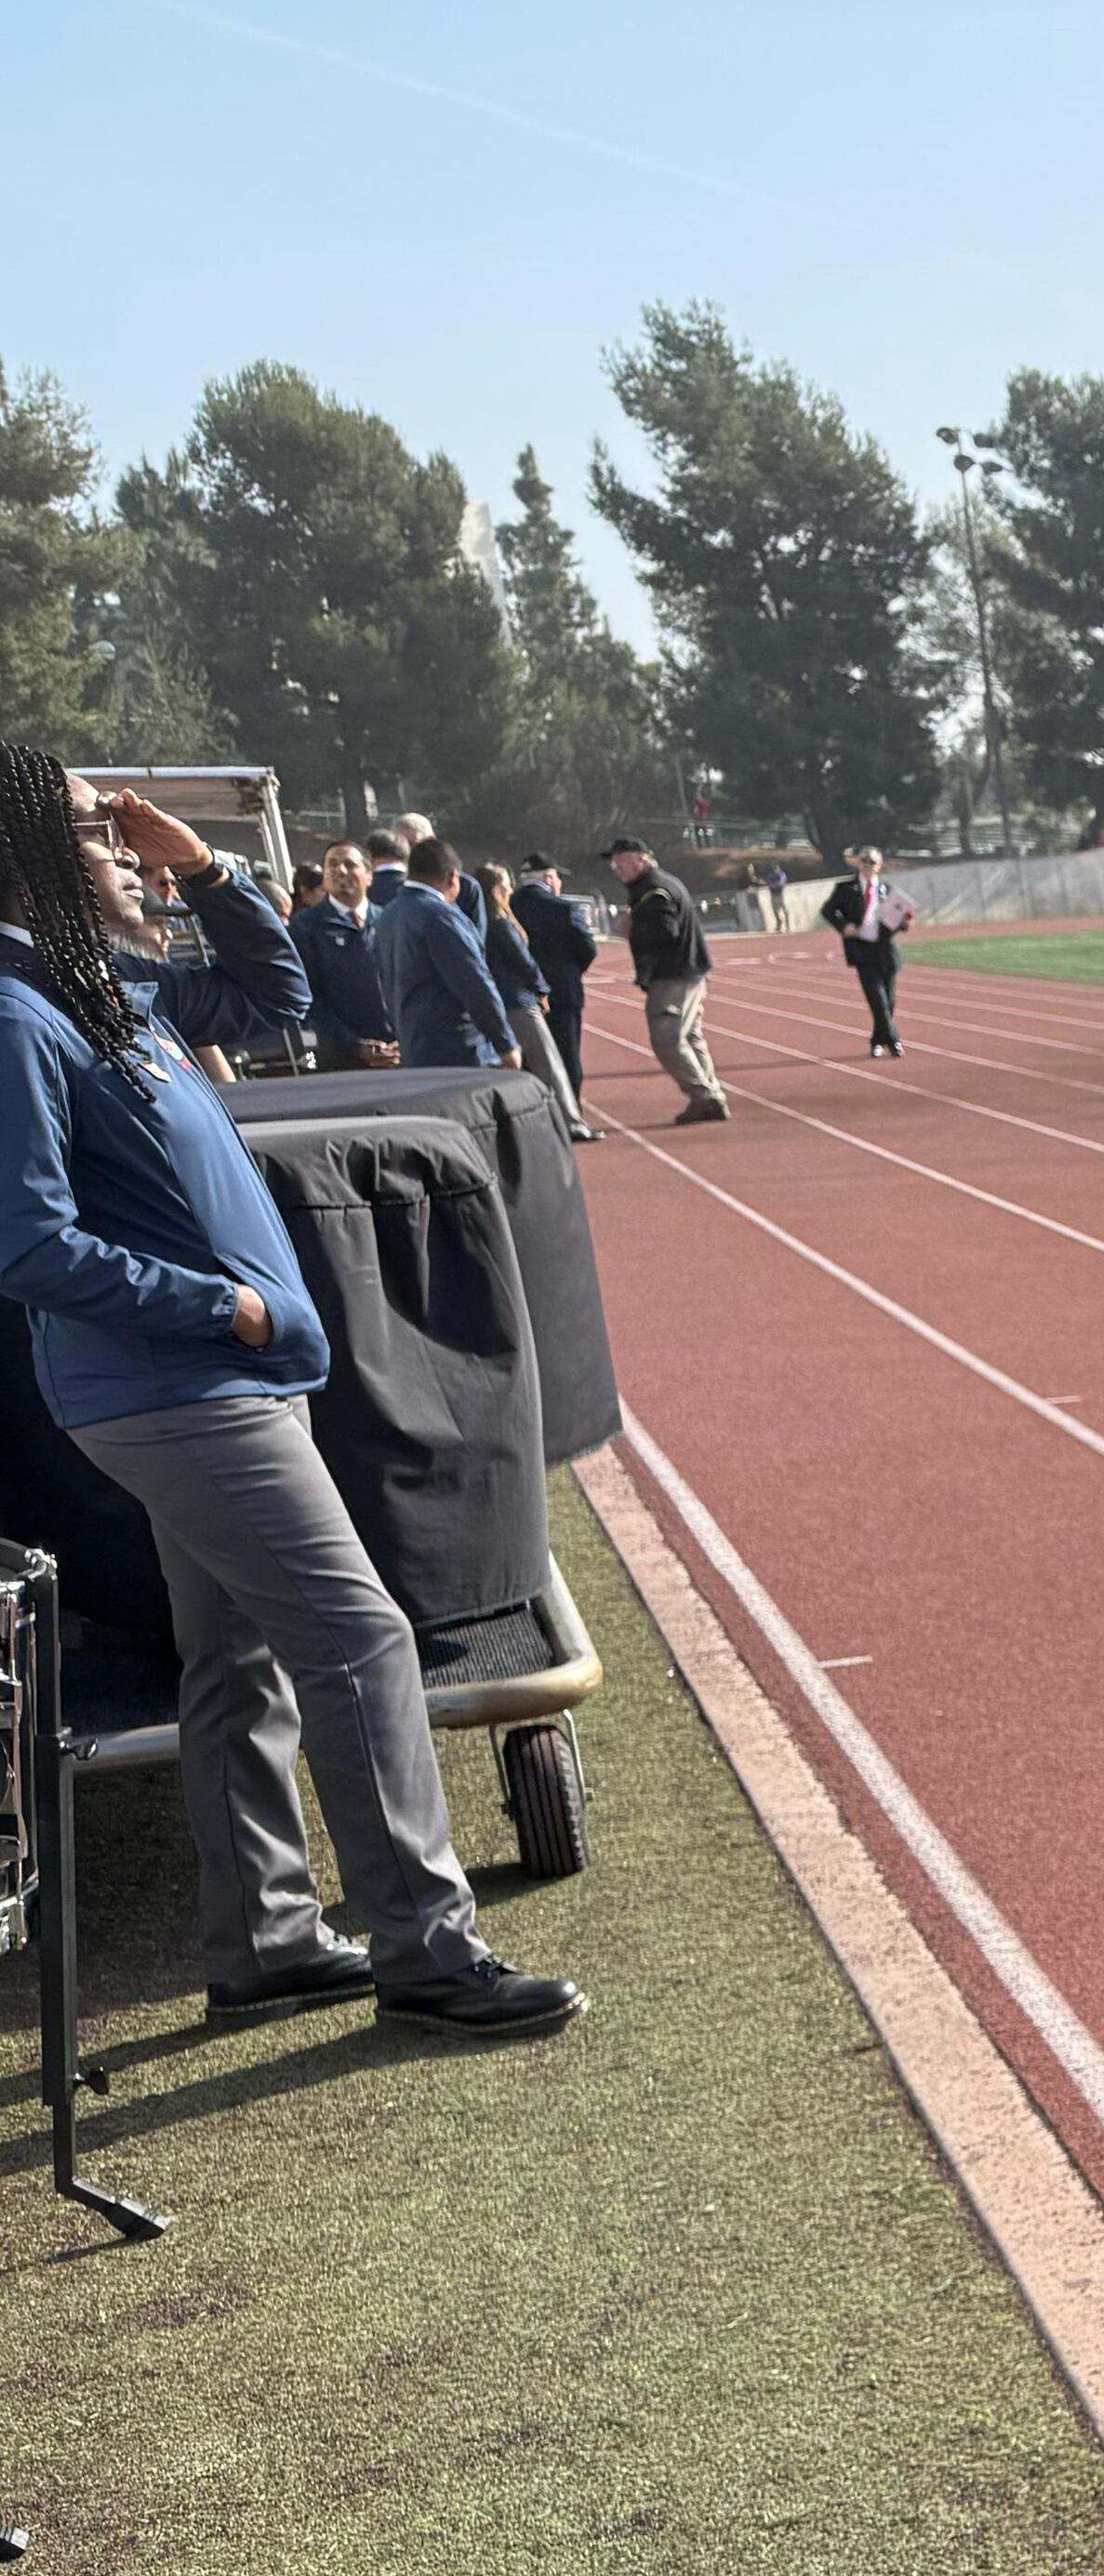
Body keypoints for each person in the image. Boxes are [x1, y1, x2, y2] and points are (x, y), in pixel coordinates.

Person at [0, 752, 582, 2041]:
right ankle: (428, 1953)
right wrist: (229, 1309)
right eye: (98, 830)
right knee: (359, 1637)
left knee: (235, 1655)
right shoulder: (17, 1014)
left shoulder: (101, 989)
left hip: (218, 1379)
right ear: (26, 857)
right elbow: (27, 1245)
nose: (128, 847)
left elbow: (282, 992)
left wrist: (207, 868)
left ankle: (264, 1943)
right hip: (180, 1384)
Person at [600, 832, 726, 1122]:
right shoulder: (656, 884)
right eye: (614, 863)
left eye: (622, 861)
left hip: (673, 977)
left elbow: (665, 932)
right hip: (688, 971)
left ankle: (705, 1097)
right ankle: (710, 1094)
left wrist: (630, 926)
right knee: (691, 1037)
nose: (617, 868)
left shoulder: (654, 890)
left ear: (642, 858)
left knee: (667, 1041)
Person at [469, 865, 595, 1140]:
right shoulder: (500, 923)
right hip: (517, 1000)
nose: (511, 888)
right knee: (547, 1062)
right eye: (507, 883)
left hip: (491, 1001)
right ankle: (569, 1121)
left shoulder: (474, 922)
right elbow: (523, 961)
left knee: (505, 1065)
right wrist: (542, 989)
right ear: (497, 889)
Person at [369, 836, 514, 1068]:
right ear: (452, 877)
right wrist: (505, 1043)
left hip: (412, 1046)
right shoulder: (441, 916)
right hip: (457, 1049)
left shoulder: (387, 916)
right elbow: (474, 982)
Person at [284, 839, 398, 1067]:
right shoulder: (306, 927)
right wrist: (354, 1045)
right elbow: (308, 998)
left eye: (350, 864)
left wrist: (403, 1040)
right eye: (332, 865)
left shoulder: (391, 921)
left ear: (369, 876)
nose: (341, 871)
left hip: (400, 1055)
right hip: (342, 1060)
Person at [511, 856, 602, 1082]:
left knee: (526, 1061)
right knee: (566, 1058)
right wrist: (571, 970)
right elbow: (588, 948)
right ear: (549, 878)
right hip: (561, 991)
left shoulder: (507, 906)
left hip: (517, 994)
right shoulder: (564, 908)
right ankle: (570, 1102)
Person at [818, 844, 914, 1055]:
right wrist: (843, 926)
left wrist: (904, 922)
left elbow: (898, 920)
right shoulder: (846, 888)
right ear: (858, 863)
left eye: (872, 862)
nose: (868, 865)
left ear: (879, 865)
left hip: (885, 949)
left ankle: (877, 1041)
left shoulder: (887, 890)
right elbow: (827, 910)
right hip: (862, 950)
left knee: (889, 1000)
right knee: (877, 998)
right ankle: (893, 1041)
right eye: (864, 861)